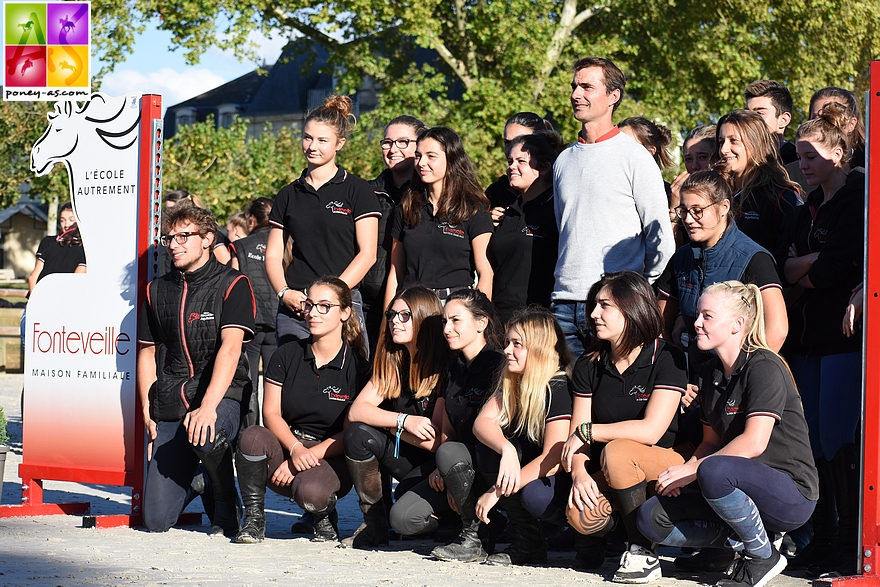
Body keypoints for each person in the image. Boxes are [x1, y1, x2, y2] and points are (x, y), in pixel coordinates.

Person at [637, 281, 818, 587]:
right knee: (650, 518)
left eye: (707, 316)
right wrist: (685, 470)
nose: (696, 323)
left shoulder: (764, 365)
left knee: (714, 470)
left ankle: (763, 557)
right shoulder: (711, 372)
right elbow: (710, 442)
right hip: (730, 484)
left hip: (790, 494)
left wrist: (694, 469)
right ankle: (748, 542)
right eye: (698, 315)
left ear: (737, 324)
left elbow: (754, 442)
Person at [561, 271, 688, 582]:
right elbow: (578, 436)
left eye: (604, 305)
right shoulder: (589, 363)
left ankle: (643, 552)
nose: (593, 314)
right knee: (579, 513)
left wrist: (590, 432)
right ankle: (611, 535)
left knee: (618, 451)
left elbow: (651, 431)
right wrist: (579, 475)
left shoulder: (668, 356)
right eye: (594, 305)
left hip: (664, 460)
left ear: (632, 308)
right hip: (609, 466)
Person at [137, 205, 256, 535]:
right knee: (156, 521)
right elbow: (146, 353)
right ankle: (202, 481)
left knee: (208, 435)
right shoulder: (155, 290)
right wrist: (149, 412)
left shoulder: (234, 284)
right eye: (169, 237)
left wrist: (208, 407)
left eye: (183, 236)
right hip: (173, 397)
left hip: (223, 395)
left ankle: (224, 500)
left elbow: (231, 350)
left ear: (207, 239)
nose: (173, 244)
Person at [783, 104, 865, 576]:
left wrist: (806, 263)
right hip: (809, 339)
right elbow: (783, 264)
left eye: (812, 155)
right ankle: (826, 536)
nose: (804, 163)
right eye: (800, 154)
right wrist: (809, 263)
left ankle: (849, 544)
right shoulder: (811, 203)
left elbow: (835, 269)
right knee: (813, 444)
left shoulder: (856, 195)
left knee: (837, 444)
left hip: (842, 338)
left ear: (839, 153)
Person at [553, 57, 675, 356]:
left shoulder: (635, 158)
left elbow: (660, 240)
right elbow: (565, 229)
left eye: (586, 87)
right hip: (563, 303)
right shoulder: (563, 161)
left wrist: (636, 293)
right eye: (574, 86)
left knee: (612, 397)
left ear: (613, 95)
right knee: (566, 399)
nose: (575, 94)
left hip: (617, 305)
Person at [233, 277, 370, 544]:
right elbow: (270, 412)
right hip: (289, 444)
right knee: (252, 436)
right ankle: (254, 519)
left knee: (311, 493)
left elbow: (353, 432)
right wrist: (295, 449)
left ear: (345, 313)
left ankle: (324, 514)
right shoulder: (286, 354)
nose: (313, 313)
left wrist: (305, 458)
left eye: (324, 306)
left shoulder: (359, 368)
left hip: (331, 453)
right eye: (309, 305)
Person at [389, 289, 505, 563]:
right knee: (403, 517)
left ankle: (475, 537)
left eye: (455, 320)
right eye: (444, 322)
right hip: (455, 462)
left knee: (451, 453)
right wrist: (449, 472)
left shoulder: (498, 365)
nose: (447, 328)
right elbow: (446, 429)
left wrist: (453, 466)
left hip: (491, 466)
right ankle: (480, 521)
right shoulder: (453, 366)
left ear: (481, 323)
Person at [266, 95, 380, 347]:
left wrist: (329, 297)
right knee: (293, 380)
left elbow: (368, 254)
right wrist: (284, 293)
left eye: (322, 140)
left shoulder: (357, 190)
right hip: (296, 307)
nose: (312, 146)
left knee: (348, 381)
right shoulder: (288, 193)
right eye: (307, 137)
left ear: (339, 143)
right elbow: (273, 255)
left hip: (343, 304)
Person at [341, 285, 449, 548]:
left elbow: (437, 443)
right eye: (391, 315)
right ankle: (374, 526)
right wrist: (401, 422)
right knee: (358, 434)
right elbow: (357, 411)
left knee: (404, 505)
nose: (393, 322)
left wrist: (389, 426)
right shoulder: (393, 359)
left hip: (441, 468)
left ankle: (451, 522)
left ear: (423, 317)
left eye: (404, 316)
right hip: (408, 456)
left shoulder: (445, 364)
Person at [473, 307, 573, 566]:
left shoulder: (557, 386)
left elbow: (554, 458)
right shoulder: (514, 379)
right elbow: (482, 423)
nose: (507, 350)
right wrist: (506, 449)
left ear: (539, 349)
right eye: (507, 342)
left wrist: (497, 491)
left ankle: (592, 538)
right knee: (489, 450)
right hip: (533, 471)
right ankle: (528, 541)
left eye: (517, 344)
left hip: (564, 480)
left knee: (534, 496)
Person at [656, 170, 788, 355]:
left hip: (741, 375)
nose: (688, 219)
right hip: (695, 375)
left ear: (724, 207)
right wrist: (673, 376)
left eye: (697, 211)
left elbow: (777, 331)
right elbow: (659, 326)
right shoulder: (681, 258)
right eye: (683, 211)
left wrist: (742, 375)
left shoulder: (754, 258)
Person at [385, 127, 493, 308]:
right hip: (412, 305)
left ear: (451, 159)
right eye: (418, 155)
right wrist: (387, 319)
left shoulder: (474, 209)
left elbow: (486, 273)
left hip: (456, 305)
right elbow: (396, 273)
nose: (421, 163)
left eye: (431, 156)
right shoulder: (406, 208)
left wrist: (477, 317)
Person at [364, 116, 427, 353]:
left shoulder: (429, 197)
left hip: (415, 305)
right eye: (387, 142)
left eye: (402, 142)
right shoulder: (365, 193)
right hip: (369, 305)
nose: (393, 149)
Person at [488, 131, 565, 325]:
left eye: (521, 161)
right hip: (500, 321)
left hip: (539, 323)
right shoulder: (507, 212)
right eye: (509, 161)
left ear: (545, 167)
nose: (511, 167)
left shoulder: (557, 210)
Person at [712, 109, 801, 269]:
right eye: (721, 142)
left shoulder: (782, 197)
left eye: (733, 141)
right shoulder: (717, 194)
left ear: (755, 143)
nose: (723, 149)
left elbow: (787, 264)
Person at [229, 197, 277, 428]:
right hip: (280, 322)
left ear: (251, 219)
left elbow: (232, 285)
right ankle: (273, 441)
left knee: (249, 385)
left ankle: (250, 440)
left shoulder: (241, 246)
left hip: (250, 325)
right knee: (275, 385)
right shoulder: (287, 245)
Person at [486, 112, 553, 218]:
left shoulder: (557, 195)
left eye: (521, 141)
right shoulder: (496, 192)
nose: (513, 148)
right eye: (507, 143)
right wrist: (486, 223)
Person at [669, 125, 716, 246]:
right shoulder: (679, 196)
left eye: (703, 157)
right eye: (688, 159)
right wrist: (675, 208)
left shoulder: (732, 192)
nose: (694, 166)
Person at [161, 190, 231, 268]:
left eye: (182, 236)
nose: (172, 245)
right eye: (166, 210)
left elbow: (227, 263)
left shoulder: (212, 235)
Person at [27, 202, 86, 293]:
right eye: (62, 220)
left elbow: (32, 277)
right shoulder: (49, 243)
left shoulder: (83, 246)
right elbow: (77, 280)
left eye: (71, 220)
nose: (67, 225)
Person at [618, 117, 675, 202]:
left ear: (650, 152)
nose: (619, 151)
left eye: (628, 146)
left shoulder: (667, 195)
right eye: (617, 145)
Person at [809, 86, 865, 170]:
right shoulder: (796, 172)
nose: (823, 126)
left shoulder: (869, 167)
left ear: (852, 124)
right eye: (816, 119)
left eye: (831, 118)